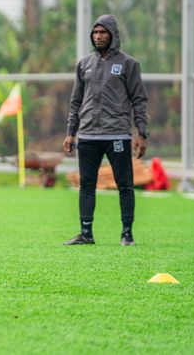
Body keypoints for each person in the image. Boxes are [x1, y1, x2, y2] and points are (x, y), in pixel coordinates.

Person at [63, 14, 149, 246]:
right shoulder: (84, 64)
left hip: (117, 135)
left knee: (125, 185)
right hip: (88, 135)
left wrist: (141, 132)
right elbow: (76, 102)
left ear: (113, 35)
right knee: (86, 185)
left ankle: (127, 234)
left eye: (103, 32)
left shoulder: (128, 64)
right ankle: (86, 233)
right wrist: (71, 132)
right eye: (95, 33)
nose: (98, 36)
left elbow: (139, 100)